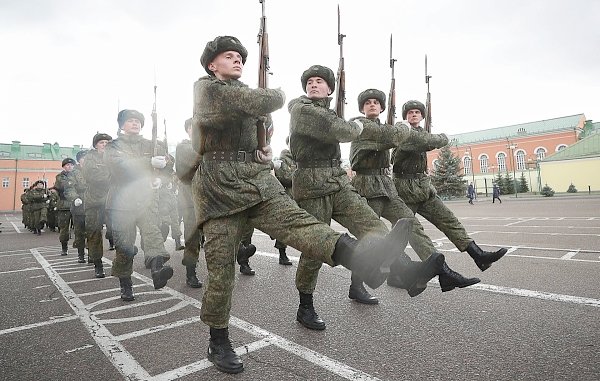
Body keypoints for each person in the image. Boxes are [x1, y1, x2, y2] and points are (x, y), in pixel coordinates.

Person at [192, 36, 441, 374]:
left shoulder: (246, 100)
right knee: (222, 272)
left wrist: (260, 152)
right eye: (229, 57)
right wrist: (276, 97)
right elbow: (264, 100)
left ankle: (369, 261)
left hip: (258, 183)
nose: (237, 61)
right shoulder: (208, 89)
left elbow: (257, 132)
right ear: (212, 65)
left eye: (240, 57)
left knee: (306, 229)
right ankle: (218, 338)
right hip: (219, 191)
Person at [350, 89, 480, 294]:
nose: (372, 105)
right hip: (367, 185)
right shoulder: (359, 127)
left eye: (376, 102)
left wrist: (403, 134)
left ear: (382, 107)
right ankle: (356, 286)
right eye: (367, 103)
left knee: (410, 224)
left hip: (386, 185)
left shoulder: (388, 129)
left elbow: (402, 139)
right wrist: (401, 135)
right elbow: (371, 150)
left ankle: (442, 270)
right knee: (369, 237)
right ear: (362, 108)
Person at [391, 100, 508, 272]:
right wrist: (441, 137)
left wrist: (438, 139)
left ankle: (478, 255)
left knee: (448, 220)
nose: (413, 114)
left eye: (417, 112)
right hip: (404, 189)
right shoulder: (404, 134)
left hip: (423, 187)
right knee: (405, 232)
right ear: (405, 117)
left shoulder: (422, 134)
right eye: (410, 112)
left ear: (422, 116)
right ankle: (397, 270)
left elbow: (433, 141)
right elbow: (433, 141)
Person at [104, 109, 174, 301]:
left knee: (153, 236)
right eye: (130, 121)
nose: (135, 124)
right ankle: (125, 284)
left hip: (146, 200)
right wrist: (148, 162)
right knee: (125, 247)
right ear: (121, 125)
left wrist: (161, 178)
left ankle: (158, 270)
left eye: (138, 121)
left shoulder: (152, 145)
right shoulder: (113, 147)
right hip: (122, 204)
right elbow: (120, 166)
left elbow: (168, 164)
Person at [175, 118, 203, 288]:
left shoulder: (210, 146)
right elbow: (196, 159)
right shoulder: (184, 147)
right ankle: (190, 273)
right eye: (193, 127)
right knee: (192, 238)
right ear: (187, 129)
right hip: (191, 199)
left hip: (211, 198)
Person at [82, 133, 112, 278]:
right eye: (102, 143)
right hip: (94, 202)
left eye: (107, 142)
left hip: (112, 200)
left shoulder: (114, 157)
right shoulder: (90, 158)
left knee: (120, 228)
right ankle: (98, 263)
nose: (105, 145)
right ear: (95, 145)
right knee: (94, 232)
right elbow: (93, 176)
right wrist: (113, 175)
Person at [271, 137, 294, 266]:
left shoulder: (301, 157)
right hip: (289, 197)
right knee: (284, 227)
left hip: (303, 197)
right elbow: (285, 177)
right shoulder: (284, 158)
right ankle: (282, 253)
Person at [65, 150, 88, 263]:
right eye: (84, 158)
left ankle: (93, 255)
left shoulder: (94, 171)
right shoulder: (73, 173)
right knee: (80, 232)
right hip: (79, 206)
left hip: (92, 206)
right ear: (79, 160)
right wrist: (75, 198)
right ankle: (81, 254)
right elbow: (69, 188)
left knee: (93, 231)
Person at [54, 158, 76, 255]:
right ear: (63, 167)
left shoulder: (77, 175)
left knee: (80, 228)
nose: (70, 166)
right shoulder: (59, 176)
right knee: (64, 228)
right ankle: (64, 247)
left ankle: (82, 251)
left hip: (76, 204)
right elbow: (63, 185)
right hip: (64, 204)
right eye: (67, 165)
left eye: (71, 165)